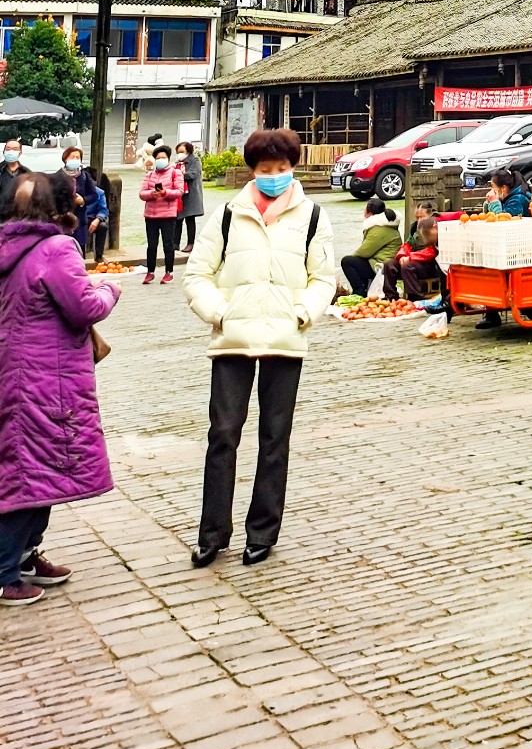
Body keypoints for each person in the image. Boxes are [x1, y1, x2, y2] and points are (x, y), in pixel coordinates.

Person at [184, 127, 336, 567]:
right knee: (223, 436)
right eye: (266, 170)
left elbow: (322, 278)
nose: (275, 176)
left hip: (284, 342)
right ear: (253, 170)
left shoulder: (312, 217)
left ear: (293, 168)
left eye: (283, 169)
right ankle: (212, 533)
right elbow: (198, 273)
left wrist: (303, 313)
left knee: (274, 439)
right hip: (232, 340)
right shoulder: (227, 215)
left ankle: (262, 532)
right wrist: (220, 312)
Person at [0, 174, 121, 607]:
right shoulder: (56, 248)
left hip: (16, 374)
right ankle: (5, 572)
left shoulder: (6, 245)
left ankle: (27, 557)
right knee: (29, 474)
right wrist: (109, 288)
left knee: (35, 466)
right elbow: (83, 307)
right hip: (48, 380)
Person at [475, 167, 532, 330]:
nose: (492, 191)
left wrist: (494, 204)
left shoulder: (517, 200)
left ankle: (493, 312)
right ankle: (491, 310)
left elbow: (502, 221)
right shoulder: (509, 197)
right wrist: (489, 204)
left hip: (518, 247)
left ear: (503, 188)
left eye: (493, 188)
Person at [138, 147, 186, 284]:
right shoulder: (150, 175)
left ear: (168, 158)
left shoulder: (175, 173)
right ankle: (150, 272)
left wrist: (165, 193)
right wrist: (151, 194)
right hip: (151, 215)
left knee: (168, 244)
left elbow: (179, 191)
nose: (160, 160)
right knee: (151, 245)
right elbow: (142, 193)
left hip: (168, 215)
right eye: (158, 158)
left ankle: (169, 272)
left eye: (163, 158)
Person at [340, 196, 399, 298]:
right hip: (382, 262)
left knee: (347, 261)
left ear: (370, 213)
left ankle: (359, 291)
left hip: (381, 265)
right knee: (358, 262)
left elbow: (363, 252)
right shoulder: (385, 225)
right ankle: (364, 289)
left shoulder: (379, 229)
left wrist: (354, 258)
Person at [381, 202, 440, 302]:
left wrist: (411, 257)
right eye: (417, 217)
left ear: (430, 215)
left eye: (422, 217)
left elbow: (432, 252)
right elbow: (407, 245)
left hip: (430, 264)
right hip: (414, 260)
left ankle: (415, 298)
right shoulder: (414, 228)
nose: (419, 220)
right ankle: (390, 296)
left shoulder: (435, 228)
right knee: (389, 264)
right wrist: (402, 256)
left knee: (407, 266)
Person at [61, 144, 103, 254]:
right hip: (63, 221)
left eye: (77, 157)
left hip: (80, 220)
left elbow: (94, 195)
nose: (75, 159)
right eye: (72, 157)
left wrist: (83, 201)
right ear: (65, 159)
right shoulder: (58, 176)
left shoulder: (84, 176)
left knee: (79, 251)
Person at [175, 142, 204, 254]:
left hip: (191, 193)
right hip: (180, 195)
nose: (180, 154)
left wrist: (179, 175)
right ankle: (175, 244)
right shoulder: (178, 162)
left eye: (182, 151)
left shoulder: (194, 161)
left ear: (188, 151)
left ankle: (190, 243)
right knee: (177, 220)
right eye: (178, 152)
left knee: (190, 219)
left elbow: (193, 174)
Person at [0, 142, 25, 219]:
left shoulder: (26, 173)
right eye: (8, 149)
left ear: (20, 152)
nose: (11, 151)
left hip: (20, 218)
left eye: (15, 149)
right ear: (4, 151)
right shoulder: (1, 171)